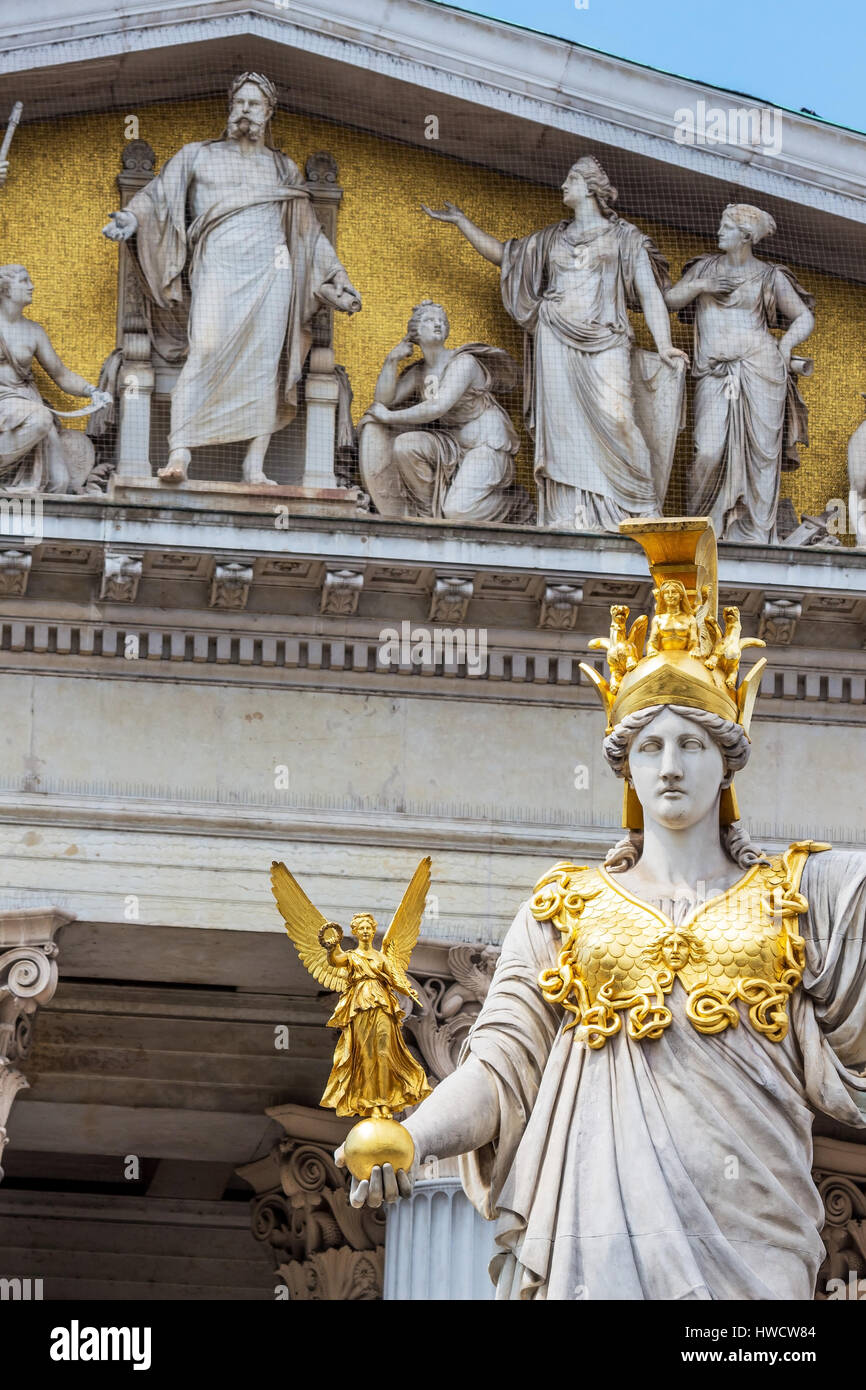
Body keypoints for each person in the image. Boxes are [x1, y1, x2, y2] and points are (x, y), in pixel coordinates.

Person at [339, 518, 866, 1300]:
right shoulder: (566, 911)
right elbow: (497, 1072)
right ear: (624, 764)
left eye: (693, 743)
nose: (672, 765)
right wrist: (411, 1140)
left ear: (729, 758)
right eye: (650, 746)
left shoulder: (797, 898)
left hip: (754, 1233)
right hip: (603, 1238)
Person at [102, 72, 361, 485]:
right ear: (230, 107)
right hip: (218, 266)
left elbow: (307, 232)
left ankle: (254, 466)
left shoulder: (283, 167)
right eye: (239, 102)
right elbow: (158, 198)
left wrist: (336, 279)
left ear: (268, 112)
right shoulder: (197, 156)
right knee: (203, 347)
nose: (245, 111)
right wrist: (130, 218)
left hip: (272, 271)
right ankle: (180, 452)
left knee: (266, 364)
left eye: (254, 104)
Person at [423, 157, 688, 530]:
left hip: (606, 337)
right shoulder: (550, 239)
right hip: (554, 336)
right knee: (563, 428)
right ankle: (571, 513)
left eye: (572, 178)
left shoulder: (625, 238)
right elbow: (506, 257)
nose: (564, 185)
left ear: (591, 187)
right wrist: (463, 223)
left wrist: (664, 346)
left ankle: (644, 505)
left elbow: (649, 293)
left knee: (618, 418)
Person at [665, 205, 814, 542]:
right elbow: (670, 301)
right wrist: (702, 285)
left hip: (760, 371)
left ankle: (753, 534)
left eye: (726, 227)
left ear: (746, 237)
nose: (719, 232)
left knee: (760, 458)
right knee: (708, 451)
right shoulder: (705, 267)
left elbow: (804, 317)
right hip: (715, 374)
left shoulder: (770, 275)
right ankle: (701, 529)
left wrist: (786, 346)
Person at [359, 299, 522, 522]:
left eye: (441, 321)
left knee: (457, 511)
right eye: (429, 320)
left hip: (484, 442)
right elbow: (384, 400)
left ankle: (515, 504)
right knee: (405, 445)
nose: (437, 324)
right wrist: (391, 360)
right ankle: (428, 515)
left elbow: (438, 406)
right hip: (451, 443)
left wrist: (389, 417)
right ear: (415, 332)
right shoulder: (419, 373)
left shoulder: (464, 362)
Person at [0, 264, 109, 492]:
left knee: (59, 481)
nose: (32, 286)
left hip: (27, 402)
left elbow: (61, 374)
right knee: (40, 418)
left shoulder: (33, 331)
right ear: (6, 289)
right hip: (4, 403)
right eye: (24, 281)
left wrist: (93, 391)